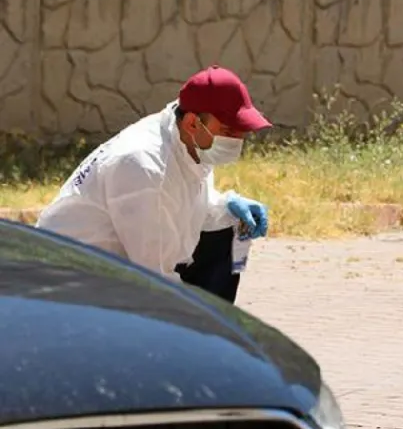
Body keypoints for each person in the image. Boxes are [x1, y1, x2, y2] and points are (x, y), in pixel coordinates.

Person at [36, 65, 272, 304]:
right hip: (69, 285)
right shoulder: (144, 168)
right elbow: (155, 279)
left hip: (113, 264)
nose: (238, 141)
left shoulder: (187, 142)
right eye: (228, 130)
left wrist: (225, 204)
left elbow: (184, 198)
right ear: (192, 123)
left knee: (227, 226)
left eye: (242, 132)